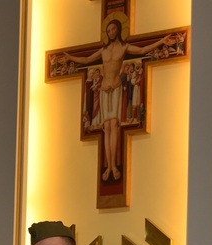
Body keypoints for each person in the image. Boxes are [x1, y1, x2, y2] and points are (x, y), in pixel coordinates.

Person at [59, 18, 176, 182]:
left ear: (119, 30)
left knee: (114, 124)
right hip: (104, 89)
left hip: (115, 87)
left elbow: (142, 51)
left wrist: (161, 42)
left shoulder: (124, 47)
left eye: (113, 29)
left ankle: (113, 165)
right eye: (108, 30)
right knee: (106, 126)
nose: (110, 32)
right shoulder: (103, 50)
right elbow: (86, 60)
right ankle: (109, 166)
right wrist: (70, 57)